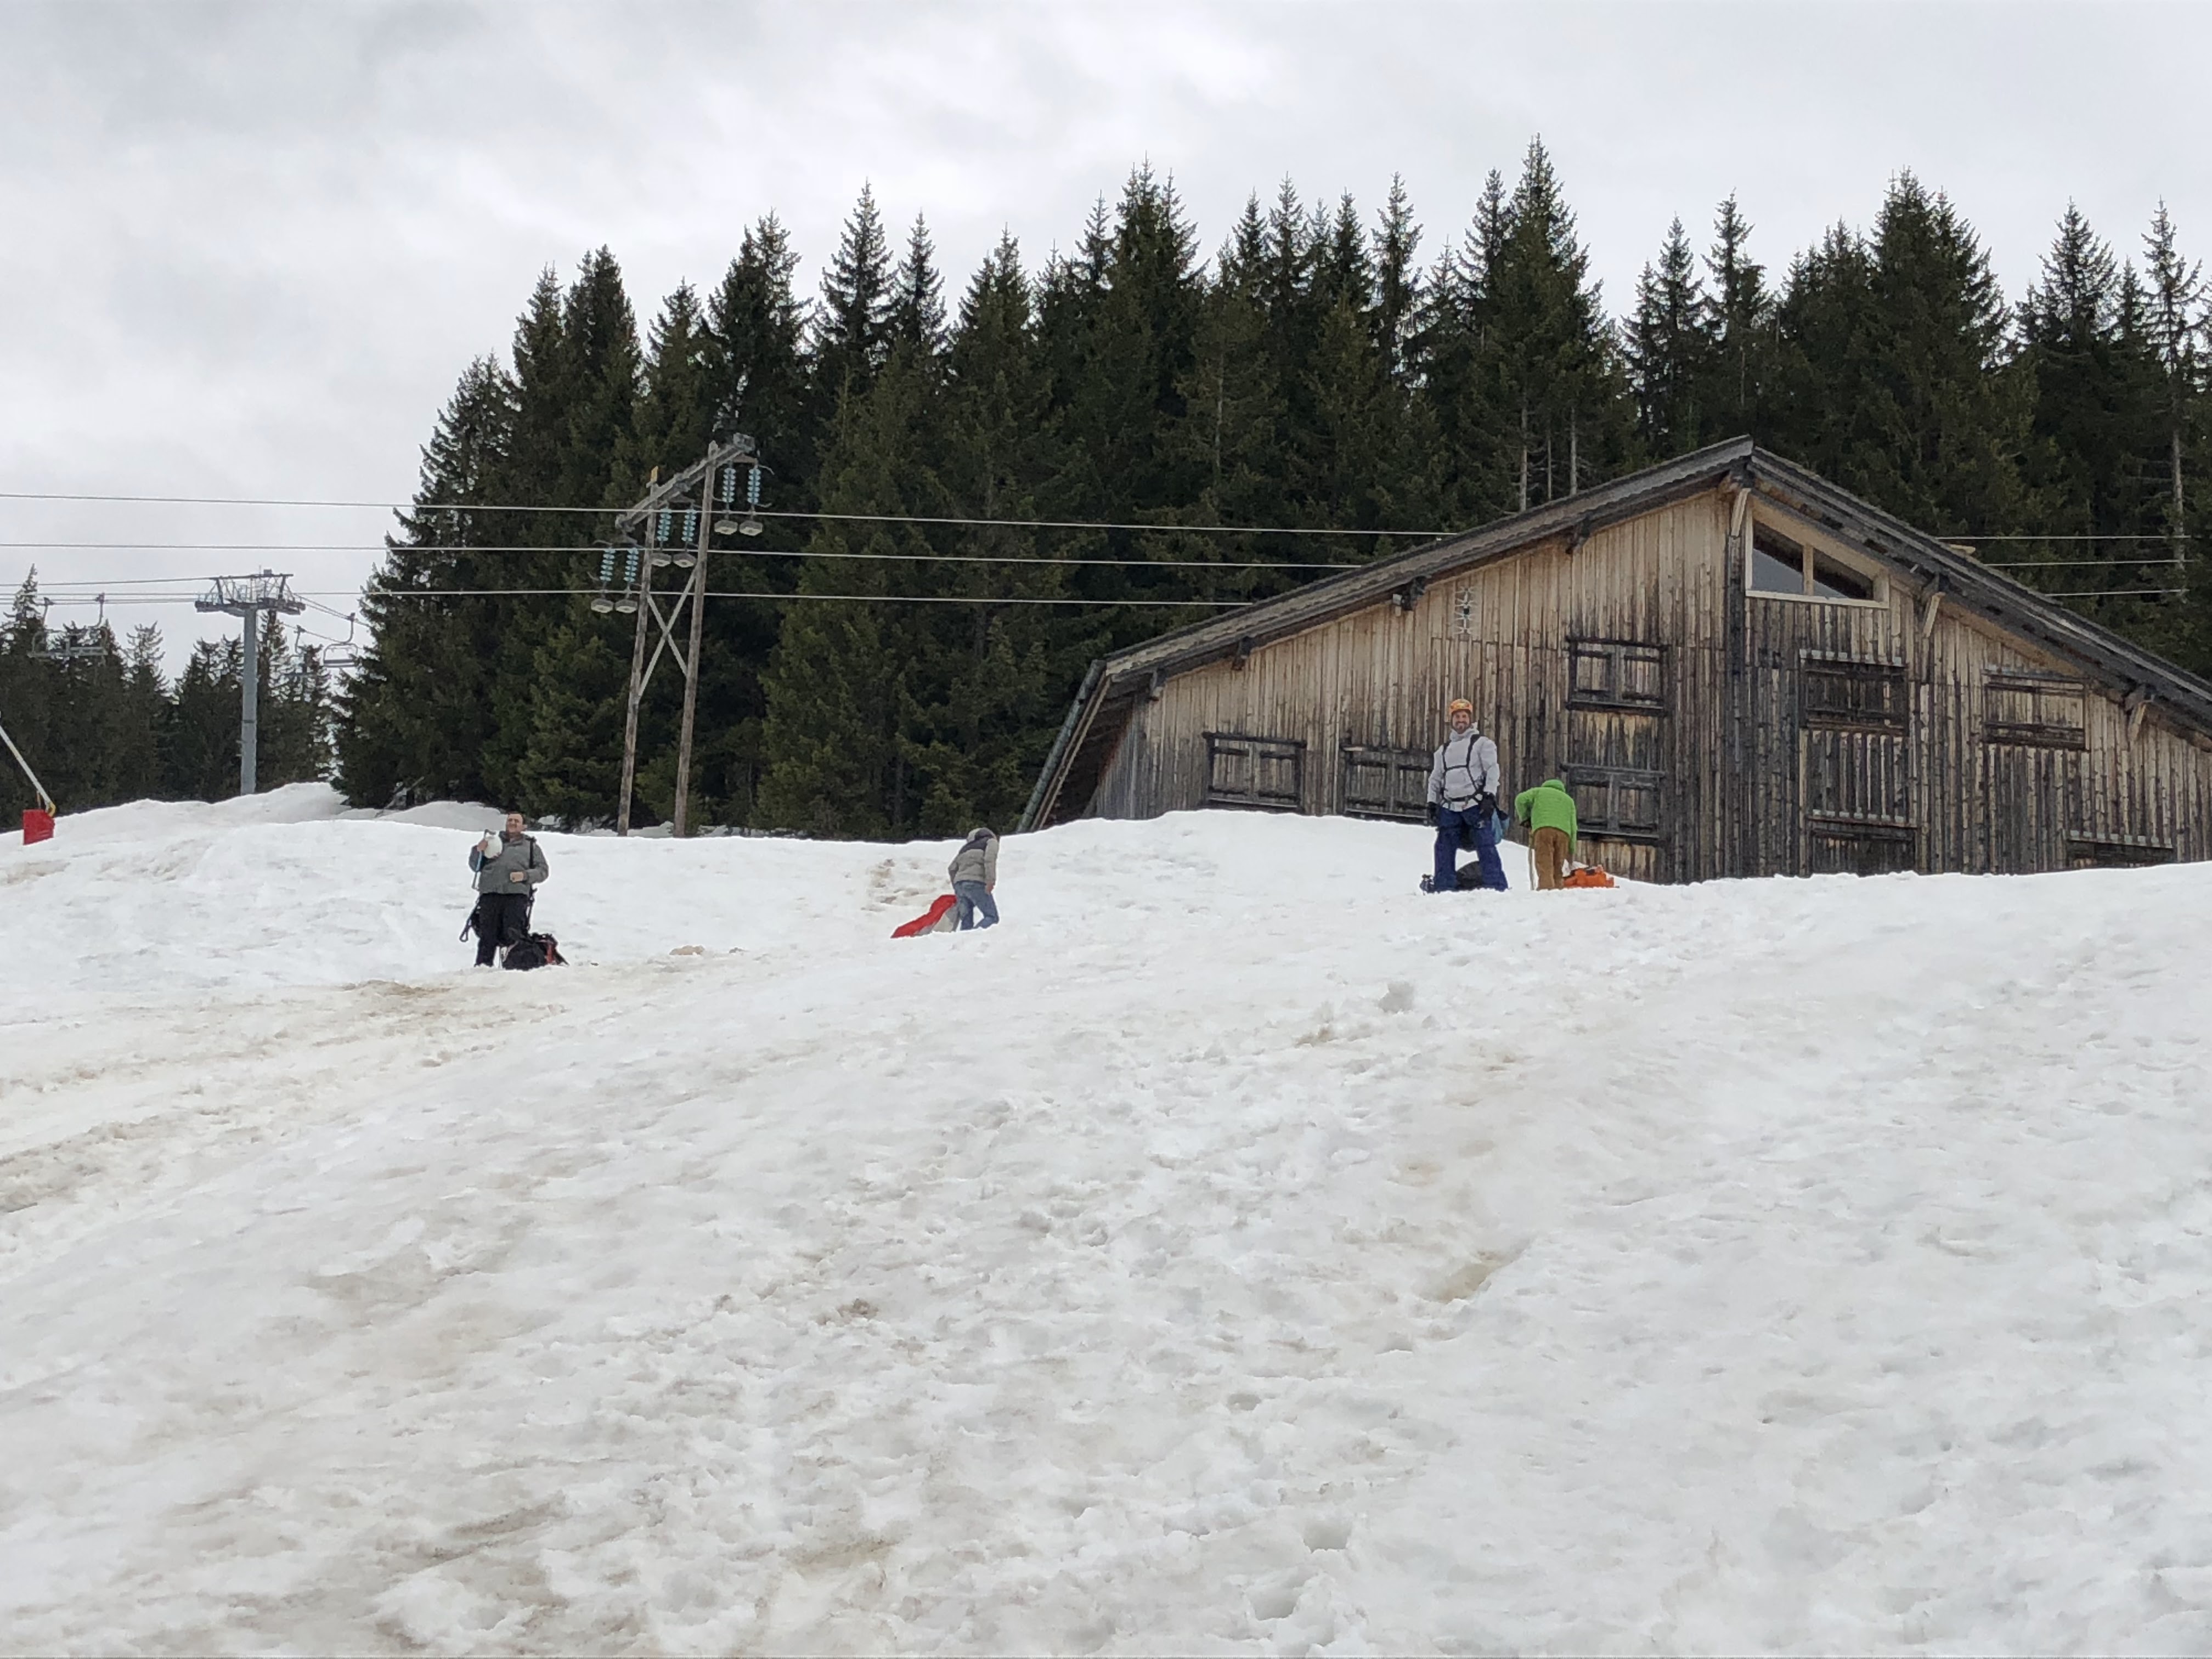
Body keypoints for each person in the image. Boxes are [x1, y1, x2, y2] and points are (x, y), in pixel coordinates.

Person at [1425, 698, 1508, 894]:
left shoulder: (1483, 744)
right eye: (1457, 717)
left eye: (1464, 716)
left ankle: (1496, 887)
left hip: (1475, 804)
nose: (1461, 720)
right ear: (1451, 720)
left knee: (1485, 845)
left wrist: (1489, 796)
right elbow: (1436, 778)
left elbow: (1492, 770)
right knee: (1443, 847)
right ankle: (1444, 887)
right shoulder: (1442, 751)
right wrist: (1431, 803)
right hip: (1449, 807)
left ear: (1470, 720)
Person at [469, 811, 549, 966]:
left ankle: (515, 968)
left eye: (516, 821)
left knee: (515, 934)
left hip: (516, 895)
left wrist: (524, 876)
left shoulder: (531, 847)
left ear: (524, 827)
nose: (512, 823)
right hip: (490, 894)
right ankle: (482, 968)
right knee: (487, 935)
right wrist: (478, 850)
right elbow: (475, 866)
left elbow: (543, 871)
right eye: (510, 820)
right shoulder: (491, 842)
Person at [1514, 776, 1578, 891]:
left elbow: (1520, 800)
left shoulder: (1538, 792)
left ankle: (1546, 890)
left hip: (1544, 829)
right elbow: (1574, 827)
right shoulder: (1569, 801)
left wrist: (1525, 818)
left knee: (1545, 861)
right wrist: (1572, 848)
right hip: (1564, 834)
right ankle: (1558, 890)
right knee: (1558, 866)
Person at [948, 826, 1000, 930]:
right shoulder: (990, 842)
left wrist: (957, 886)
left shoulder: (964, 849)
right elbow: (989, 860)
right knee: (992, 917)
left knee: (966, 922)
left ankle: (964, 939)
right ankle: (973, 936)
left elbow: (952, 868)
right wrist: (990, 881)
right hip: (976, 883)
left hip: (959, 886)